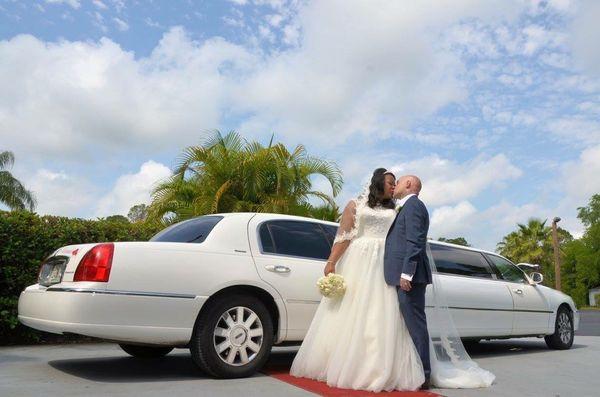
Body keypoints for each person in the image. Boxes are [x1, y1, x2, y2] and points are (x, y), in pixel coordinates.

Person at [289, 168, 425, 392]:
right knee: (352, 310)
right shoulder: (356, 204)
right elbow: (344, 236)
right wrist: (331, 262)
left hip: (387, 262)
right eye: (390, 182)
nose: (393, 186)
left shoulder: (399, 208)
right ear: (377, 183)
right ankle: (343, 362)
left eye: (396, 183)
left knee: (384, 313)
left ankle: (380, 366)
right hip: (359, 260)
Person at [383, 175, 432, 389]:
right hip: (402, 275)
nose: (395, 186)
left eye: (399, 182)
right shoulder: (407, 207)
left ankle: (424, 374)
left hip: (409, 278)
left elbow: (415, 242)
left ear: (410, 184)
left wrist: (407, 274)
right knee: (409, 323)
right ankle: (414, 370)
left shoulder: (414, 206)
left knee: (415, 324)